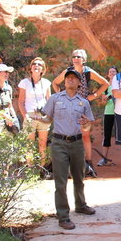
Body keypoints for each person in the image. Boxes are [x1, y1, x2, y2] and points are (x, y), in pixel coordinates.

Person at [40, 66, 96, 230]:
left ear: (79, 83)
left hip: (77, 143)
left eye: (74, 78)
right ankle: (63, 216)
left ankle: (80, 205)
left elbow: (87, 127)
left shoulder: (83, 102)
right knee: (61, 181)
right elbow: (47, 119)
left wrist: (86, 125)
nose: (70, 79)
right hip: (59, 143)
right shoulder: (55, 99)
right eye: (68, 77)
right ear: (65, 81)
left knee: (79, 177)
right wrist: (37, 119)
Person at [53, 49, 109, 178]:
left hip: (83, 108)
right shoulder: (68, 71)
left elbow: (105, 83)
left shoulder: (88, 72)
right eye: (74, 56)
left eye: (79, 56)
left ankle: (89, 164)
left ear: (84, 60)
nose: (76, 58)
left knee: (85, 136)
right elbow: (55, 82)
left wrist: (94, 96)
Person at [17, 57, 52, 168]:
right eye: (34, 64)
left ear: (43, 69)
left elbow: (49, 100)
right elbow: (21, 102)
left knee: (42, 144)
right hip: (30, 115)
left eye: (39, 65)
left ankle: (42, 168)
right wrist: (25, 116)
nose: (36, 66)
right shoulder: (25, 83)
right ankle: (30, 169)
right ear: (31, 68)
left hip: (43, 116)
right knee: (29, 144)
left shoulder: (46, 83)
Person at [97, 66, 118, 166]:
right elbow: (102, 103)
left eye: (114, 72)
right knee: (107, 135)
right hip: (108, 112)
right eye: (110, 72)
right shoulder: (105, 87)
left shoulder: (120, 85)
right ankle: (104, 159)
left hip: (120, 112)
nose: (112, 73)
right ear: (108, 75)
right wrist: (105, 99)